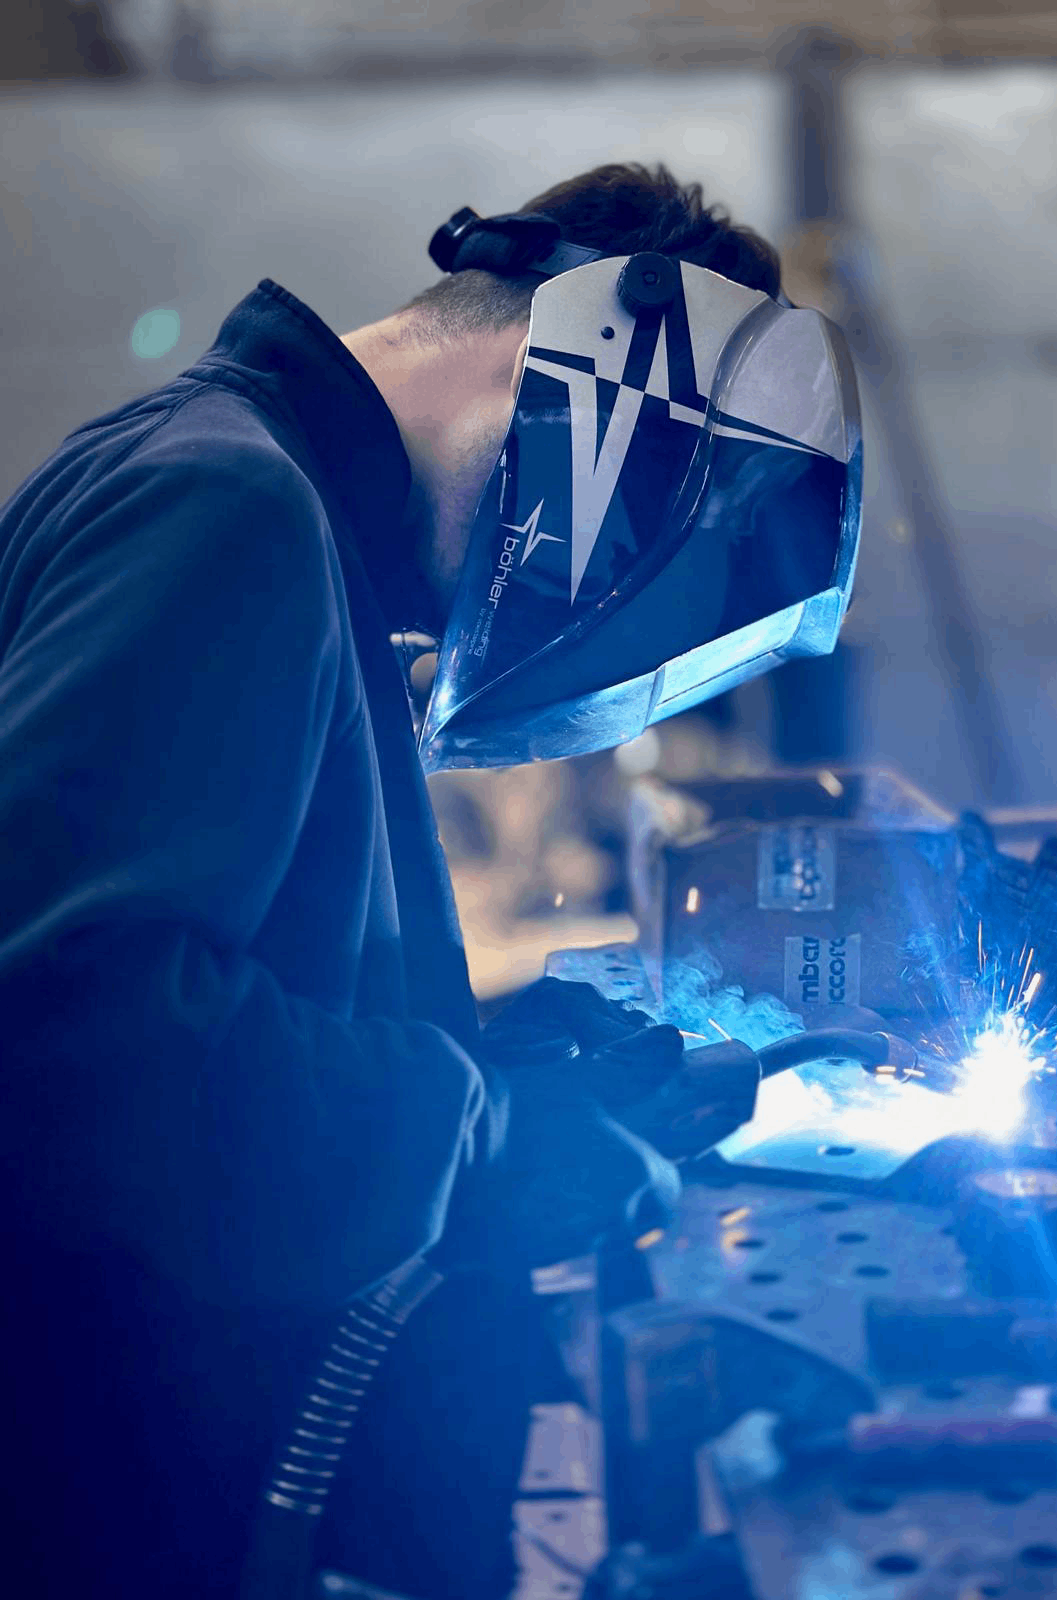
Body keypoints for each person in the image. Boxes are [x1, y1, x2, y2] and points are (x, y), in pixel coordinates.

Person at [0, 162, 862, 1599]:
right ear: (572, 382)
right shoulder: (227, 506)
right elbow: (73, 1024)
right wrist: (476, 1139)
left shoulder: (226, 475)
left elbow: (208, 958)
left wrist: (480, 1058)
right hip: (115, 1492)